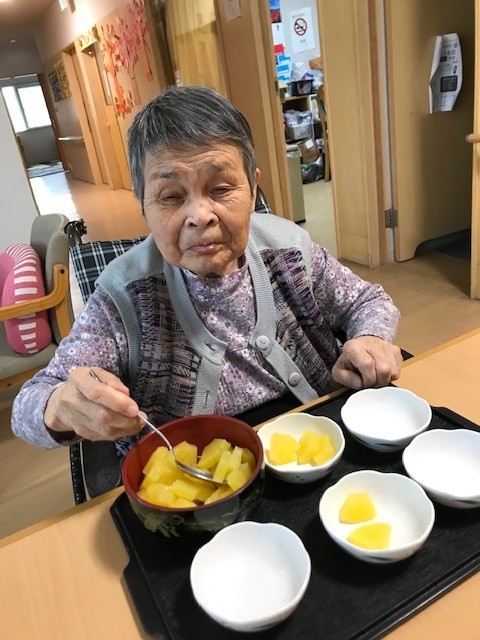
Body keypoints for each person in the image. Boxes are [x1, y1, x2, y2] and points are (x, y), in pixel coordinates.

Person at [11, 85, 402, 456]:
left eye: (221, 189)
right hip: (197, 477)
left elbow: (367, 300)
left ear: (253, 188)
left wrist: (371, 337)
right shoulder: (123, 297)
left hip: (321, 443)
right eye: (171, 196)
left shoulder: (288, 250)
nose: (200, 215)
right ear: (143, 204)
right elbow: (29, 404)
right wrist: (61, 407)